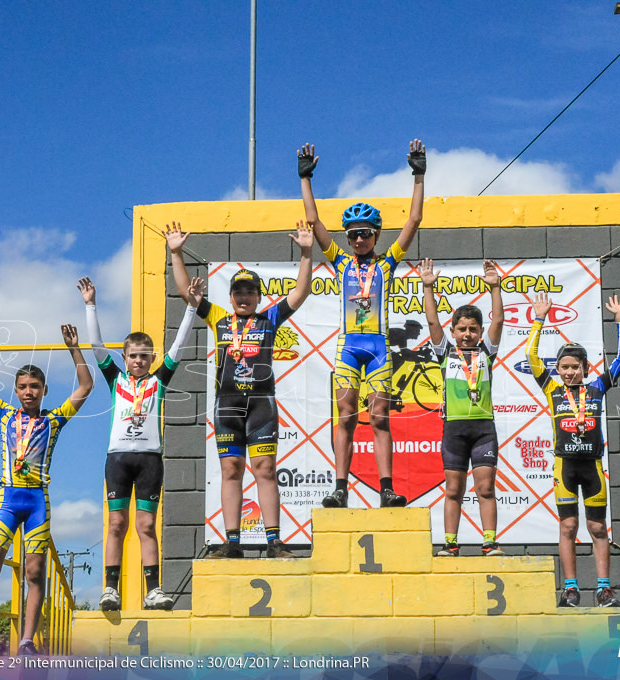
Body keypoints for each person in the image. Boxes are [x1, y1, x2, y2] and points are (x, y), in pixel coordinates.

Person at [166, 221, 314, 558]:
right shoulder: (218, 317)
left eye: (249, 292)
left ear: (259, 297)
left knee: (265, 470)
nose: (244, 297)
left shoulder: (269, 319)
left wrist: (307, 253)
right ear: (230, 297)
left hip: (261, 405)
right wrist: (176, 253)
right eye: (238, 292)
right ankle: (232, 542)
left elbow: (301, 292)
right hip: (227, 407)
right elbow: (185, 293)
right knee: (231, 471)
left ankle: (274, 541)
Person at [298, 139, 426, 508]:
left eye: (364, 233)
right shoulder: (340, 262)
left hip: (379, 346)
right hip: (349, 345)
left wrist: (418, 174)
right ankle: (341, 487)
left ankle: (386, 488)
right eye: (352, 233)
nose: (357, 239)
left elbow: (414, 220)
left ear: (376, 236)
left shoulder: (387, 264)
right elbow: (315, 223)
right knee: (346, 416)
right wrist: (305, 179)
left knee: (381, 416)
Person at [0, 315, 92, 656]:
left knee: (34, 572)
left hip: (37, 502)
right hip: (7, 500)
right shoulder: (5, 414)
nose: (28, 392)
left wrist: (74, 349)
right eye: (22, 387)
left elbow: (85, 387)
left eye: (34, 387)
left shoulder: (54, 419)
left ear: (44, 390)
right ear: (16, 390)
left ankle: (26, 642)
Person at [78, 274, 203, 612]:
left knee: (146, 525)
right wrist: (91, 305)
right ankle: (110, 589)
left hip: (149, 460)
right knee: (116, 523)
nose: (138, 361)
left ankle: (153, 590)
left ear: (151, 358)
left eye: (145, 356)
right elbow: (97, 348)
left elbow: (178, 347)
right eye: (133, 356)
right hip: (118, 459)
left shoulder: (159, 381)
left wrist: (191, 309)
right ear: (125, 356)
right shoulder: (115, 378)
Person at [526, 292, 620, 608]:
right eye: (564, 367)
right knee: (568, 526)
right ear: (557, 369)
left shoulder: (597, 388)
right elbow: (531, 357)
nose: (570, 372)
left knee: (598, 527)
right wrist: (539, 318)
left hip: (592, 466)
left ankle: (603, 589)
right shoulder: (552, 388)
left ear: (586, 367)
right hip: (565, 466)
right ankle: (571, 589)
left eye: (575, 367)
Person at [420, 257, 506, 557]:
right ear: (453, 331)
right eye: (461, 329)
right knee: (453, 490)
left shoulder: (486, 351)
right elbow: (432, 321)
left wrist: (495, 288)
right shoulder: (445, 352)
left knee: (485, 489)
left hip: (483, 428)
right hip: (454, 428)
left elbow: (498, 321)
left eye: (472, 329)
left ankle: (490, 541)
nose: (467, 334)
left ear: (480, 332)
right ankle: (451, 543)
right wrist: (428, 288)